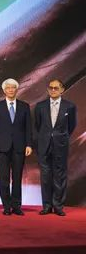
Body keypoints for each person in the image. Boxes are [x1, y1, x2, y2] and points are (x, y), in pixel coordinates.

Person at [34, 79, 77, 216]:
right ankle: (47, 206)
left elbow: (71, 126)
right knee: (45, 176)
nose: (53, 90)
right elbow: (37, 126)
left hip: (60, 146)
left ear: (62, 90)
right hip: (44, 145)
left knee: (60, 176)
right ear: (48, 90)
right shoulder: (40, 106)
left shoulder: (69, 106)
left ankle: (58, 206)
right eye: (51, 88)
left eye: (56, 88)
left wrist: (60, 137)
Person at [0, 78, 32, 216]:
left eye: (13, 87)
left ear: (17, 89)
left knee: (17, 177)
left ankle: (16, 206)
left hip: (19, 147)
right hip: (2, 147)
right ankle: (6, 206)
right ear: (4, 90)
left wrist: (29, 144)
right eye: (8, 88)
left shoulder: (24, 106)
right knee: (3, 178)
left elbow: (28, 127)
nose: (10, 90)